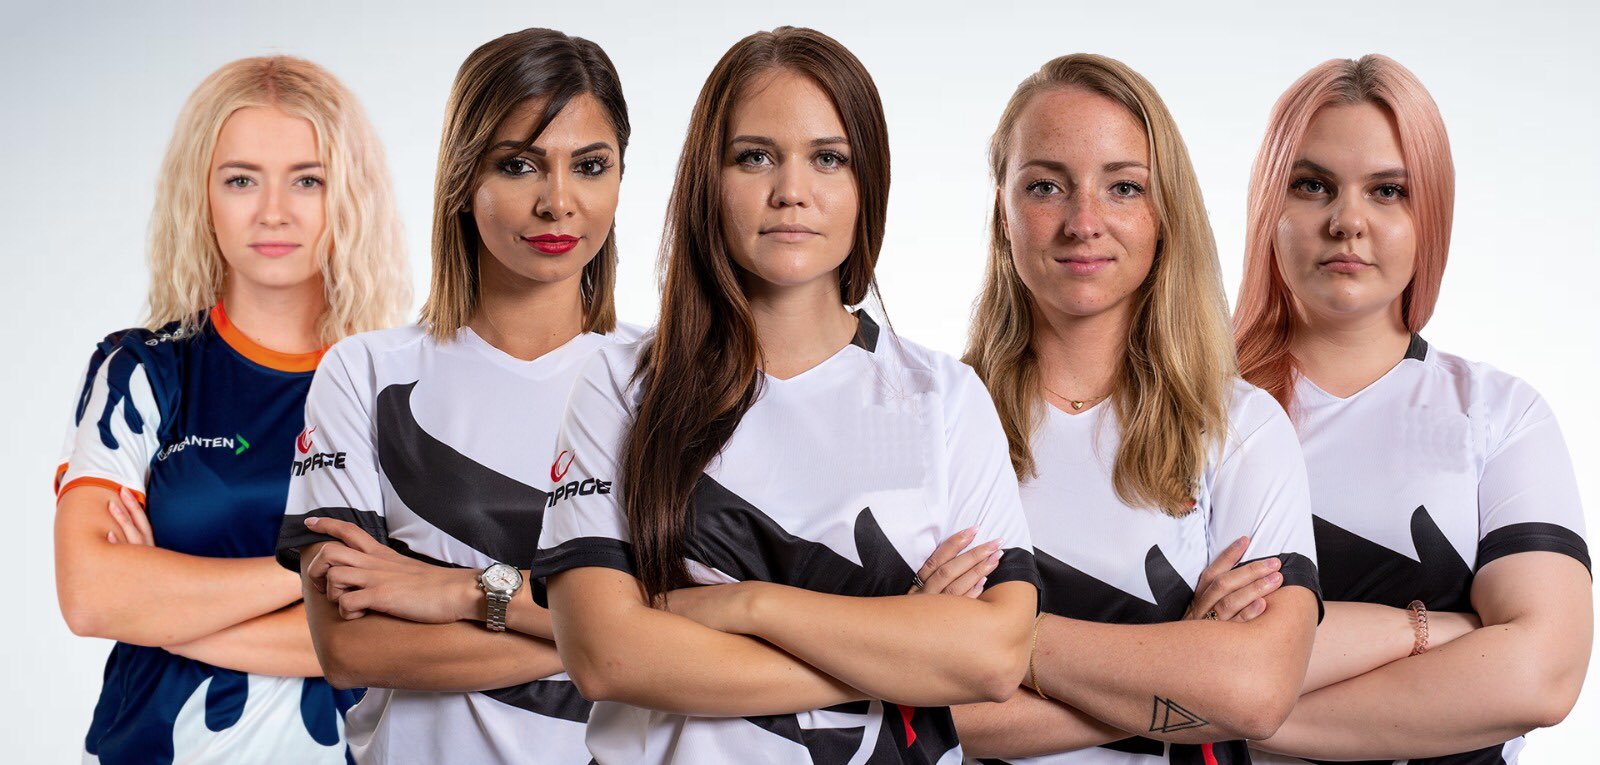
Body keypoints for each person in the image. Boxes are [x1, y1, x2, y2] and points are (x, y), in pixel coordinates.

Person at [531, 26, 1040, 764]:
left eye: (828, 158)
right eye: (755, 156)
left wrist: (750, 605)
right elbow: (607, 657)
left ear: (868, 185)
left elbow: (993, 658)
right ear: (708, 179)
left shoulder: (945, 399)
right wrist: (900, 646)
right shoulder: (622, 385)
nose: (791, 191)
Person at [273, 28, 638, 764]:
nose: (558, 202)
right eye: (518, 165)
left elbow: (705, 620)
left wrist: (466, 592)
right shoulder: (365, 374)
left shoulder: (667, 378)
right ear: (463, 180)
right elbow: (349, 648)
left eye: (590, 166)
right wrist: (614, 640)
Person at [950, 54, 1322, 764]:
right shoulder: (937, 421)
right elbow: (918, 711)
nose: (1083, 221)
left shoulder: (1241, 429)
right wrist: (1179, 655)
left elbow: (1255, 695)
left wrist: (990, 640)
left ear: (1164, 215)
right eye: (1046, 186)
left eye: (1123, 187)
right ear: (1003, 210)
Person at [1233, 55, 1591, 764]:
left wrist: (1222, 716)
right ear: (1268, 204)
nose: (1347, 221)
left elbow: (1543, 675)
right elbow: (1139, 640)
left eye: (1388, 190)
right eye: (1312, 185)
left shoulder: (1501, 415)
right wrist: (1438, 631)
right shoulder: (1179, 413)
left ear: (1433, 215)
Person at [52, 56, 409, 764]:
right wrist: (309, 567)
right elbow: (90, 594)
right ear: (202, 195)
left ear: (350, 196)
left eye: (308, 180)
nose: (273, 211)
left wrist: (161, 607)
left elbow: (398, 637)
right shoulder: (143, 371)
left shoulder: (398, 390)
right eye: (241, 179)